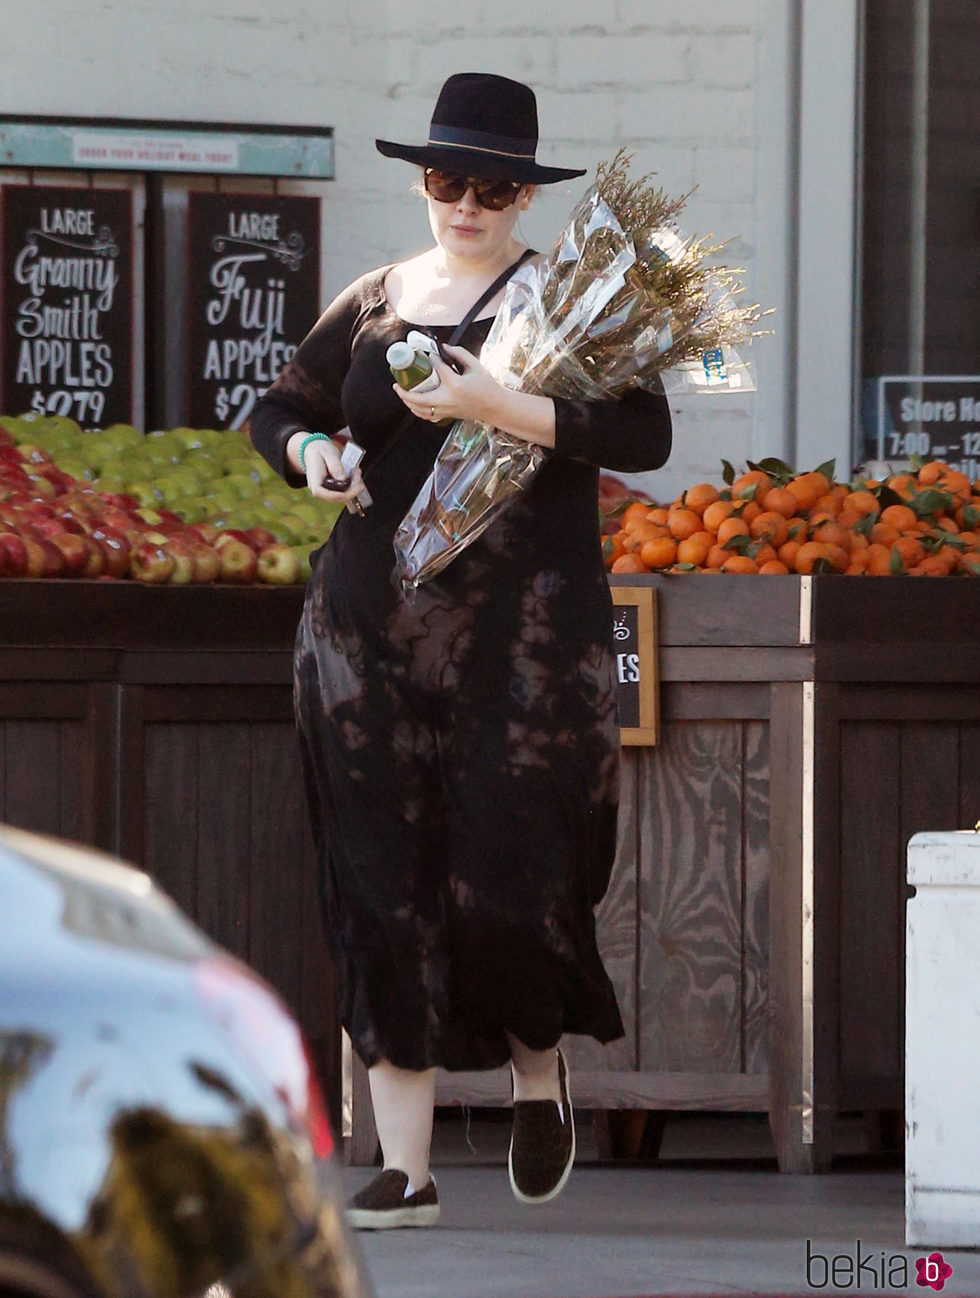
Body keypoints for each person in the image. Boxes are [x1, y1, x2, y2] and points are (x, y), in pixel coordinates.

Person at [249, 72, 672, 1229]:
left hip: (521, 644)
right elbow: (273, 409)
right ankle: (407, 1164)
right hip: (362, 633)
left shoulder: (571, 301)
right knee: (379, 884)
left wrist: (499, 402)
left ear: (524, 199)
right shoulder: (377, 296)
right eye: (447, 181)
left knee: (512, 873)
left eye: (491, 187)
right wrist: (313, 460)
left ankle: (539, 1068)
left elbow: (643, 429)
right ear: (423, 183)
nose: (466, 204)